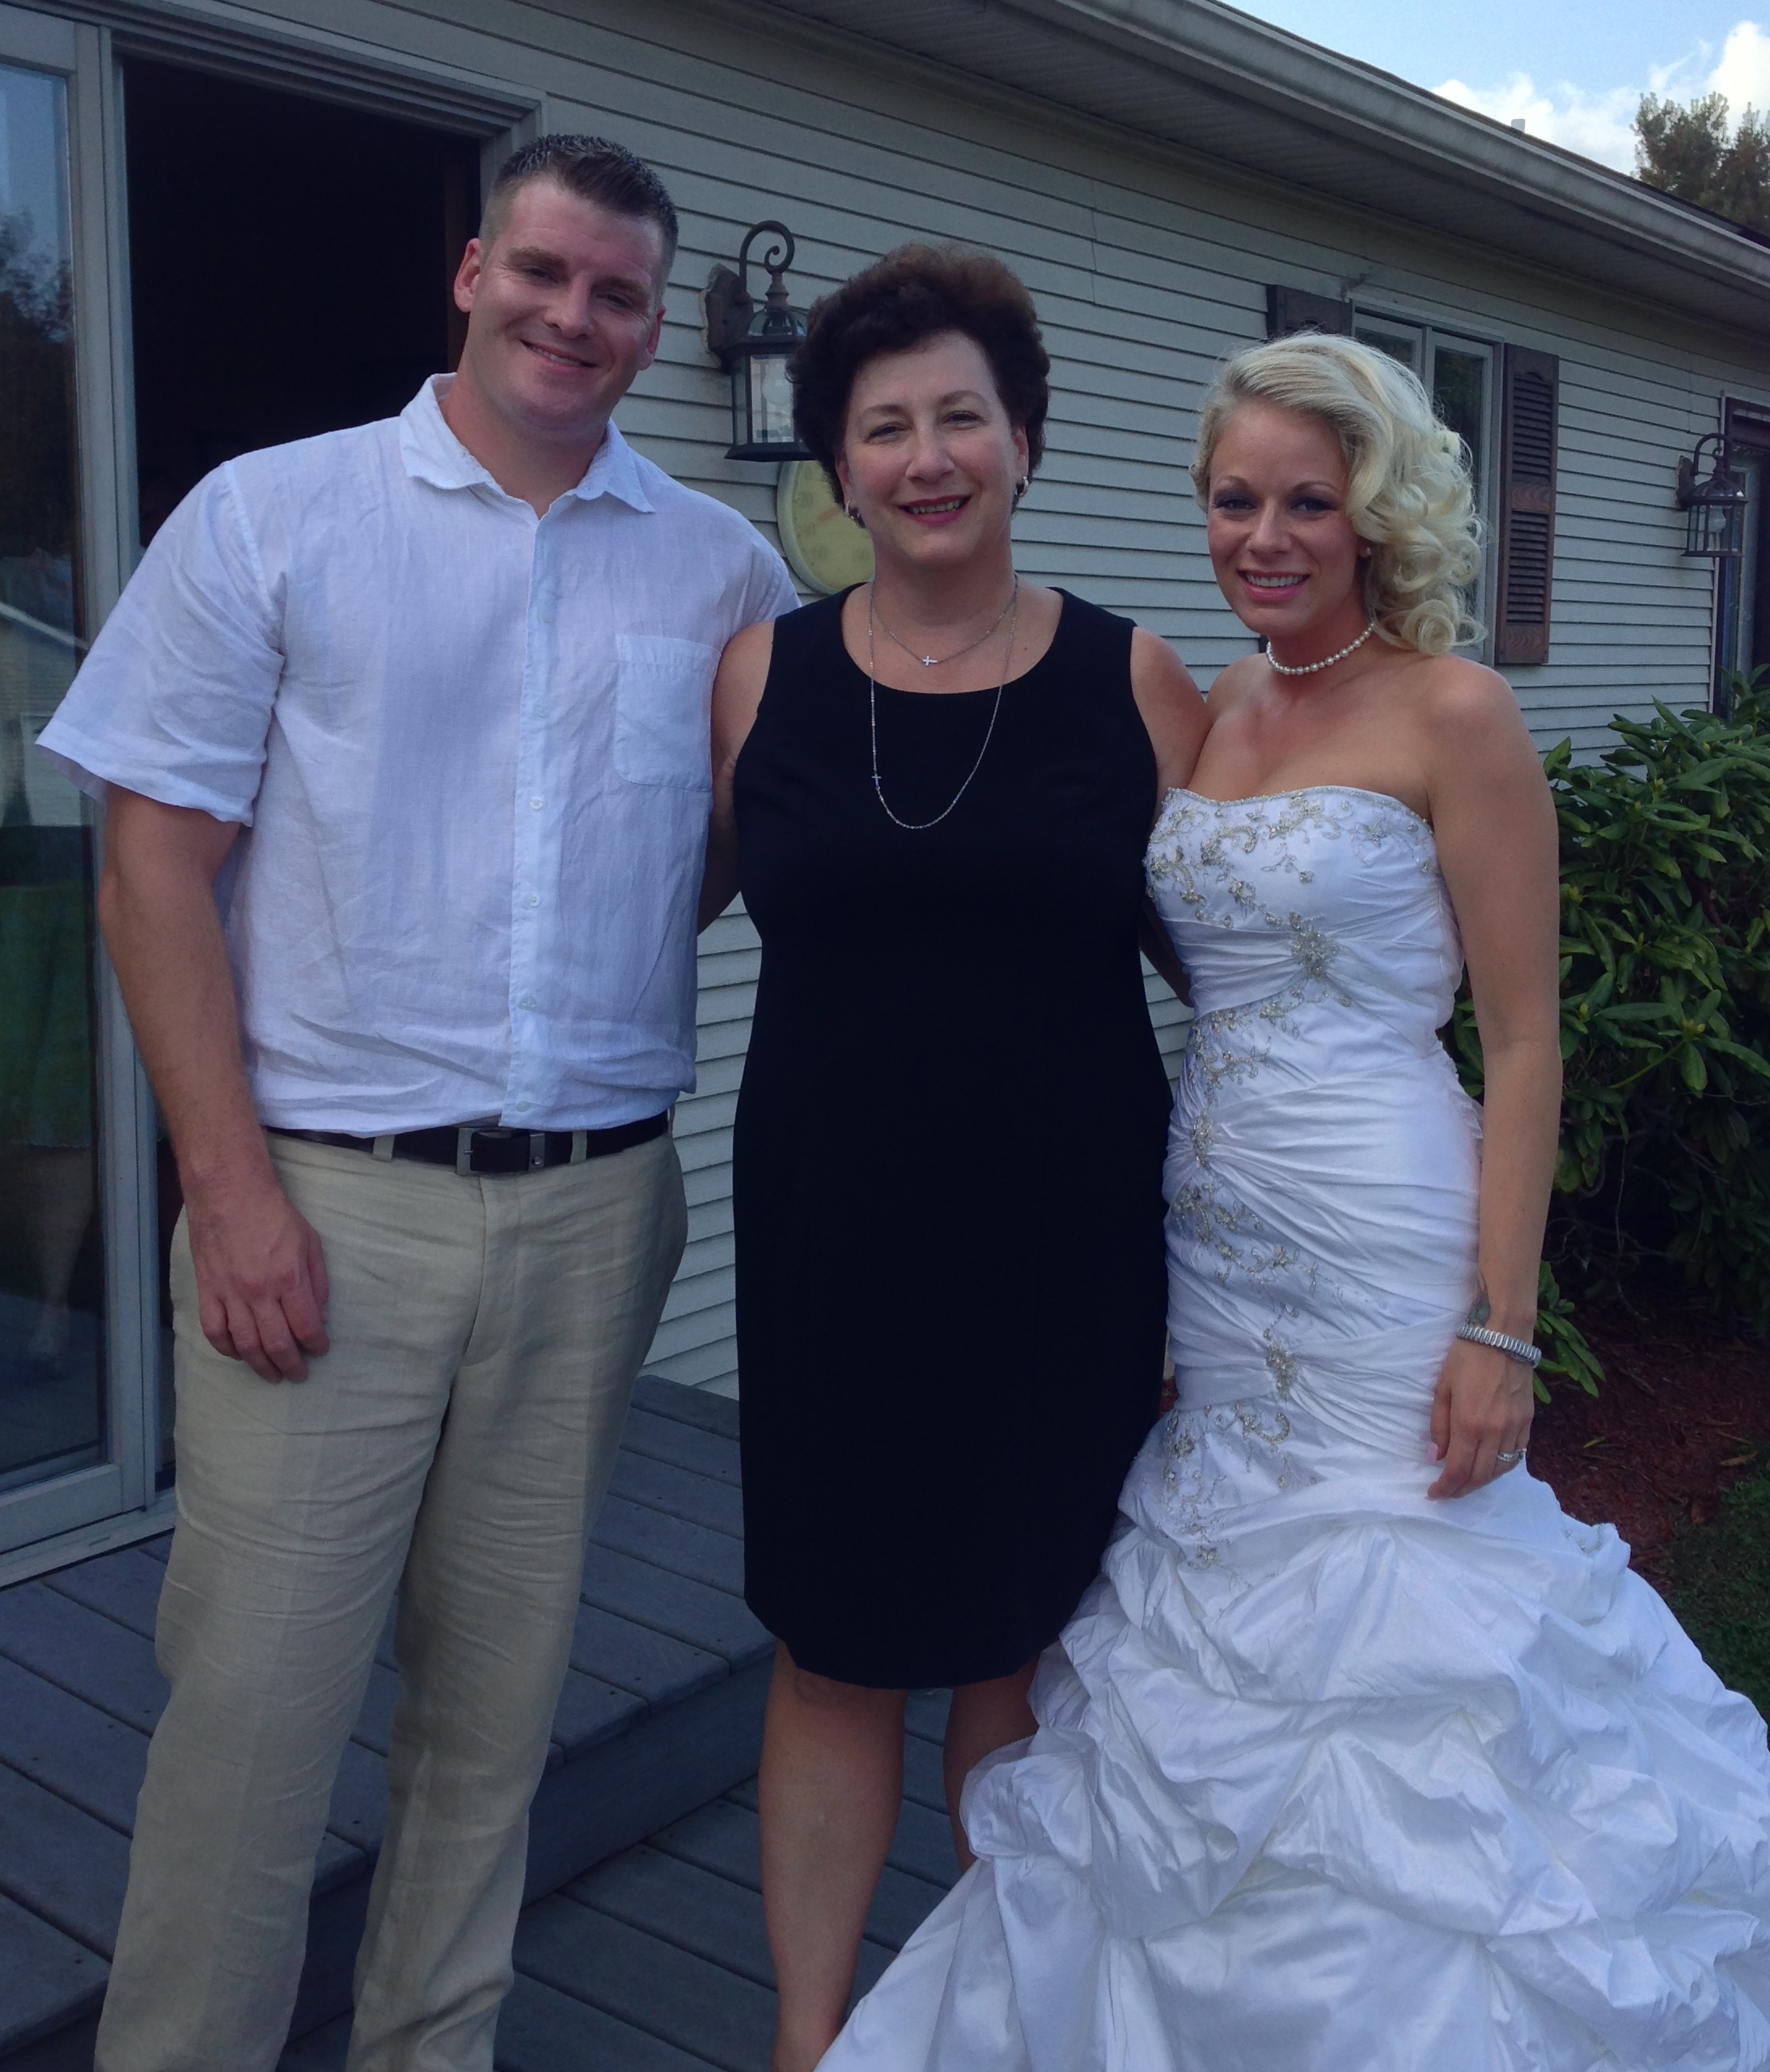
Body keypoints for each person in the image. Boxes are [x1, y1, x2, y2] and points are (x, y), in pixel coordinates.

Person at [815, 332, 1770, 2070]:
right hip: (1212, 1231)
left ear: (1376, 513)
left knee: (1395, 1606)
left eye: (1306, 503)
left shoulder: (1454, 711)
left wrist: (1499, 1324)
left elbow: (1525, 1040)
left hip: (1382, 1231)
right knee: (1213, 1604)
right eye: (1233, 500)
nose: (1264, 537)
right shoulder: (1213, 707)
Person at [38, 135, 797, 2072]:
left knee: (497, 1709)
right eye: (542, 272)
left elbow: (726, 852)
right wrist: (229, 1192)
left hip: (596, 1209)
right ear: (471, 274)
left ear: (653, 326)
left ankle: (430, 2049)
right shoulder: (274, 517)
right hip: (325, 1204)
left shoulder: (721, 573)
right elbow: (150, 873)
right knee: (255, 1713)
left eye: (617, 293)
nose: (573, 316)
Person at [700, 244, 1208, 2072]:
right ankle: (811, 2042)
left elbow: (1241, 975)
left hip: (1062, 1252)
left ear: (1025, 440)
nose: (927, 458)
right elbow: (662, 904)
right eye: (884, 426)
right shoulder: (755, 676)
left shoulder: (1132, 680)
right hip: (828, 1243)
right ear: (837, 469)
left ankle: (998, 2027)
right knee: (831, 1649)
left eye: (961, 418)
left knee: (1017, 1650)